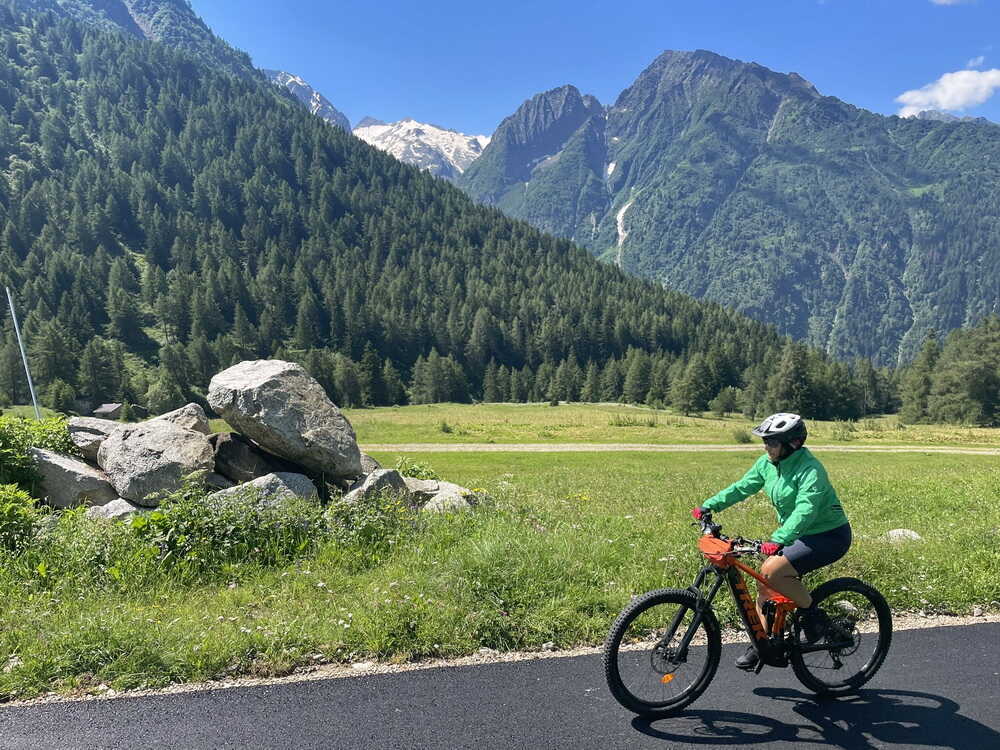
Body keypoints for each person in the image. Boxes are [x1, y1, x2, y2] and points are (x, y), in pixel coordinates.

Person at [691, 412, 851, 670]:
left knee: (772, 571)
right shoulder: (768, 463)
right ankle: (762, 644)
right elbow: (742, 487)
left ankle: (814, 617)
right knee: (765, 579)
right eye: (765, 441)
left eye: (772, 442)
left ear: (793, 444)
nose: (766, 447)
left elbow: (806, 509)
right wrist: (709, 506)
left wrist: (778, 539)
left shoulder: (811, 469)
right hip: (796, 533)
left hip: (828, 536)